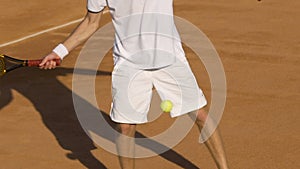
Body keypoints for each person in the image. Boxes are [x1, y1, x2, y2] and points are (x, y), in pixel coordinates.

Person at [40, 0, 229, 169]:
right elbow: (91, 22)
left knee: (201, 115)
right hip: (129, 63)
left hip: (170, 58)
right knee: (125, 127)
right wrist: (60, 52)